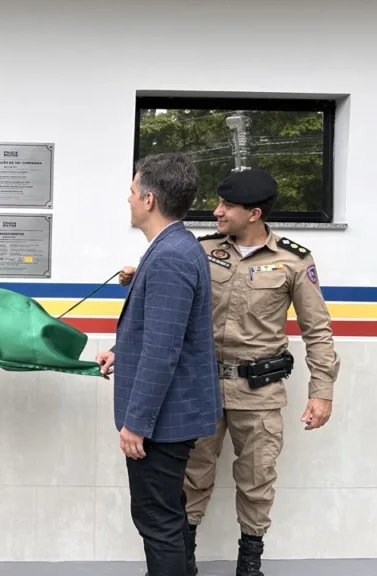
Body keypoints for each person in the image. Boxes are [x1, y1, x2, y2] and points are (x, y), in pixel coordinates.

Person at [119, 167, 341, 576]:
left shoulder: (293, 260)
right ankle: (182, 560)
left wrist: (321, 390)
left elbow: (318, 328)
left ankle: (249, 562)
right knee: (192, 478)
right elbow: (172, 315)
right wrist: (140, 276)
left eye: (227, 206)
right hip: (201, 388)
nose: (217, 212)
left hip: (258, 390)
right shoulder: (201, 250)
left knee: (257, 480)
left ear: (254, 214)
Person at [96, 153, 222, 576]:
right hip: (170, 418)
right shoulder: (176, 246)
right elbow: (162, 335)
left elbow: (164, 350)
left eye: (132, 191)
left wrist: (137, 423)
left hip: (162, 423)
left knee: (158, 521)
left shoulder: (170, 255)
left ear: (149, 199)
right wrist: (121, 352)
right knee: (169, 515)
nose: (127, 198)